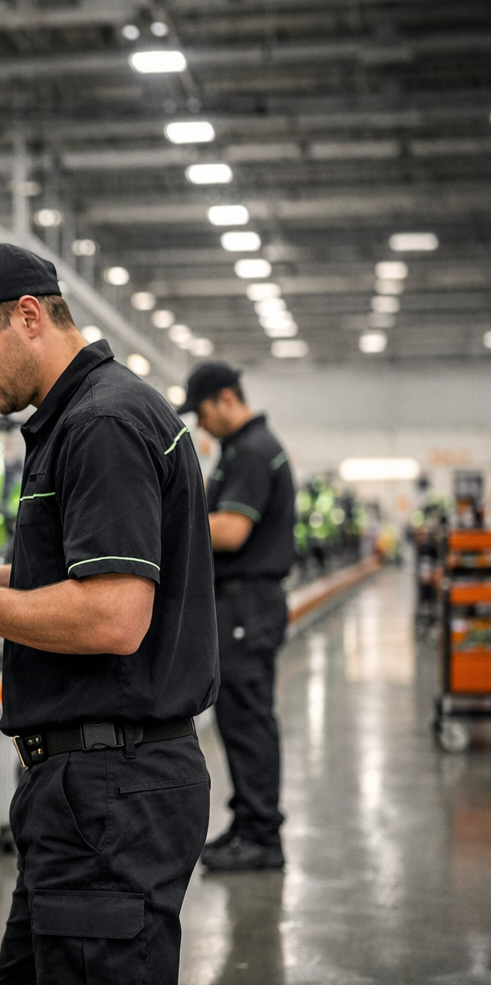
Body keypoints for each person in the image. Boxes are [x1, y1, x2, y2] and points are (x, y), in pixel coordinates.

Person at [0, 243, 218, 985]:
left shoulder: (102, 424)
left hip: (109, 793)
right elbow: (82, 577)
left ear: (28, 316)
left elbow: (113, 616)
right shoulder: (83, 418)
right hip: (86, 794)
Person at [184, 362, 296, 871]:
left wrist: (169, 525)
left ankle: (262, 837)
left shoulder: (253, 450)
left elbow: (230, 532)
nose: (202, 425)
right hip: (240, 604)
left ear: (225, 398)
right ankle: (249, 822)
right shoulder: (243, 449)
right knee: (238, 719)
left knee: (248, 720)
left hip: (247, 604)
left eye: (203, 413)